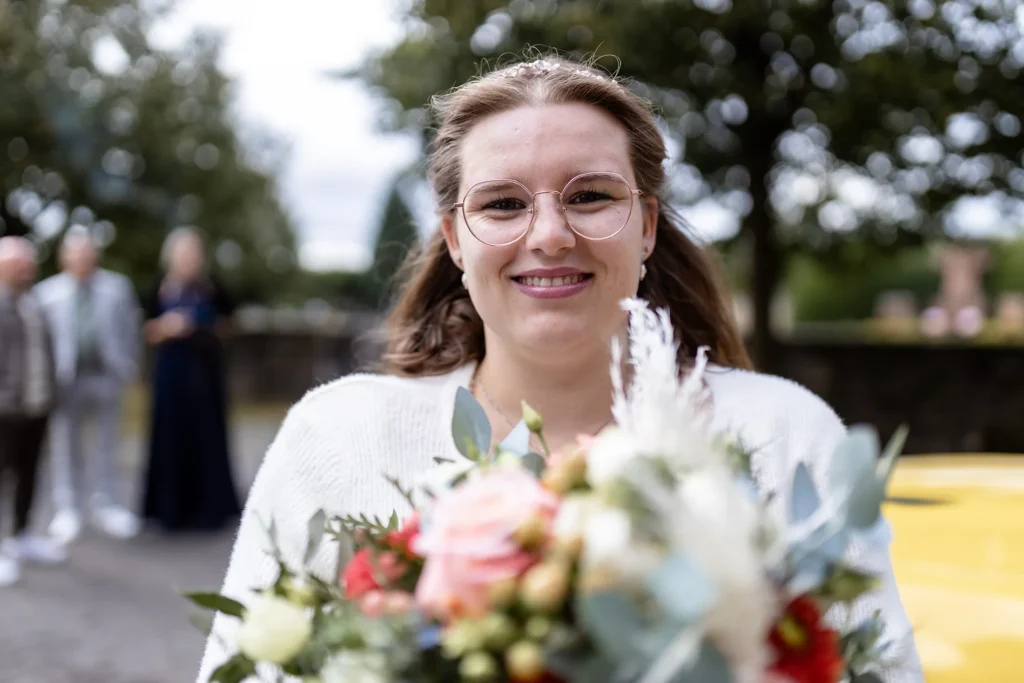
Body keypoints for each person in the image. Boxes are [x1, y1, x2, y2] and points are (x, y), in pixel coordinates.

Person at [197, 57, 923, 681]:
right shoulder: (337, 437)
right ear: (454, 238)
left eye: (590, 196)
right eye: (504, 204)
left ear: (645, 225)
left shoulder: (782, 431)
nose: (549, 234)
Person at [34, 228, 143, 544]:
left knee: (108, 442)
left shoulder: (117, 288)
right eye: (76, 253)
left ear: (96, 256)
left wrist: (129, 365)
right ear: (64, 258)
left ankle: (106, 503)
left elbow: (131, 329)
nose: (83, 259)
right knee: (65, 444)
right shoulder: (47, 293)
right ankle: (68, 508)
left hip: (106, 375)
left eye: (88, 253)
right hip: (66, 379)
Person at [140, 227, 241, 532]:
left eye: (193, 254)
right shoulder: (159, 288)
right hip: (172, 374)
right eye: (183, 254)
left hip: (205, 374)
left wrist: (202, 325)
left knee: (207, 439)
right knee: (170, 437)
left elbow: (230, 326)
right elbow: (147, 330)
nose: (189, 260)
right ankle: (169, 511)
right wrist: (167, 328)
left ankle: (210, 510)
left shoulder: (213, 288)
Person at [0, 237, 66, 586]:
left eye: (28, 263)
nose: (26, 269)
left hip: (37, 404)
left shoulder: (35, 302)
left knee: (30, 472)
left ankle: (22, 535)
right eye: (17, 264)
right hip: (6, 409)